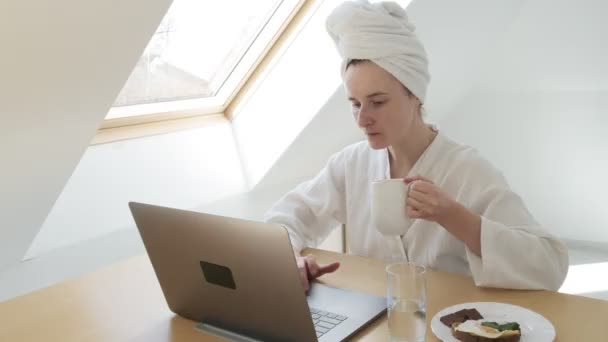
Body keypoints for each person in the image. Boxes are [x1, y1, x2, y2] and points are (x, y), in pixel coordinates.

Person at [264, 0, 569, 292]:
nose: (362, 119)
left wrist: (454, 216)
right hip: (374, 325)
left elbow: (549, 265)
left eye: (378, 102)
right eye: (355, 104)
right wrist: (290, 258)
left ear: (415, 95)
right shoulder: (351, 165)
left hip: (450, 325)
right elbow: (286, 218)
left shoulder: (466, 170)